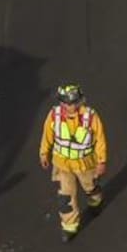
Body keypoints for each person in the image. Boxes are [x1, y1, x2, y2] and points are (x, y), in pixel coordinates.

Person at [39, 84, 108, 239]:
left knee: (90, 187)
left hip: (85, 164)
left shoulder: (90, 117)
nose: (69, 106)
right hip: (63, 165)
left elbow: (100, 139)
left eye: (73, 103)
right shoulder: (54, 116)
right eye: (66, 103)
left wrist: (102, 161)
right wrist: (44, 153)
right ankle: (69, 226)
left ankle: (95, 201)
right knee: (66, 197)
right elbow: (47, 135)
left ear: (79, 101)